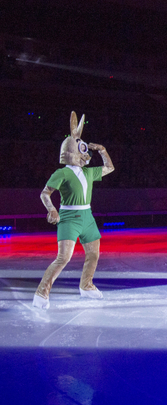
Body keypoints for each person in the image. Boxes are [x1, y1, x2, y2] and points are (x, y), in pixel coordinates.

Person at [32, 112, 115, 310]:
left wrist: (103, 150)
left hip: (88, 217)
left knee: (93, 254)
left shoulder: (88, 171)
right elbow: (45, 193)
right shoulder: (62, 173)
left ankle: (86, 285)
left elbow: (109, 167)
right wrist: (51, 209)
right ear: (73, 151)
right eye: (82, 149)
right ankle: (41, 292)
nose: (86, 152)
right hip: (69, 217)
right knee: (64, 258)